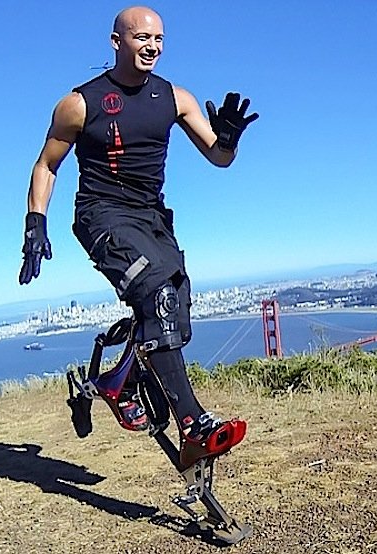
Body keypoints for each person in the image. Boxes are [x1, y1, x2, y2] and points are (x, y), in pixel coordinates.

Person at [18, 6, 258, 449]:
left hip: (151, 217)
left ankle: (121, 380)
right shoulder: (80, 103)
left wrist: (228, 139)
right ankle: (194, 426)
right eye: (142, 38)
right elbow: (46, 164)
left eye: (160, 39)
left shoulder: (174, 97)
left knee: (175, 317)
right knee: (156, 295)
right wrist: (35, 222)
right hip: (101, 215)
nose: (152, 46)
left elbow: (219, 158)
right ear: (117, 42)